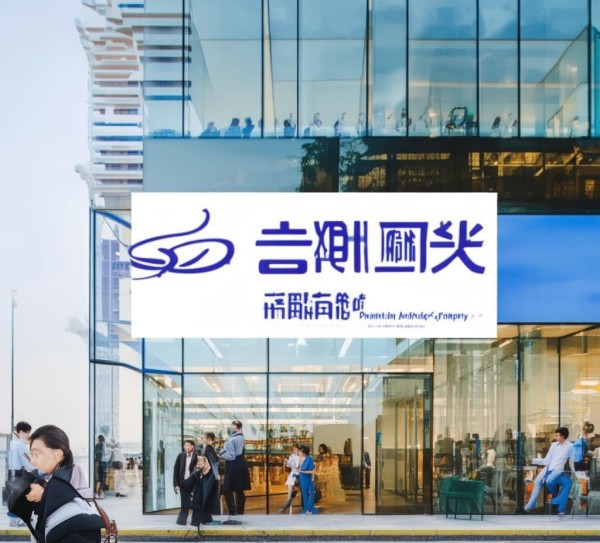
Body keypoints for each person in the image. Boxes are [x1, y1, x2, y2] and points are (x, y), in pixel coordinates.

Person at [13, 425, 104, 543]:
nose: (32, 461)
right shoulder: (56, 481)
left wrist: (46, 494)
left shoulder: (62, 490)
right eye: (31, 455)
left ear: (58, 455)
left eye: (36, 454)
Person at [523, 427, 574, 516]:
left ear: (563, 436)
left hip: (557, 470)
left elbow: (572, 461)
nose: (556, 437)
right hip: (548, 468)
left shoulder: (570, 446)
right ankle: (530, 506)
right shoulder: (554, 445)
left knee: (549, 482)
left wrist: (574, 471)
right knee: (537, 482)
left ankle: (554, 495)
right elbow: (547, 460)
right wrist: (533, 460)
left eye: (557, 436)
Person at [218, 421, 251, 516]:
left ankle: (233, 511)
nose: (231, 426)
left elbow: (232, 456)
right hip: (238, 465)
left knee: (228, 488)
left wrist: (220, 455)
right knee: (238, 489)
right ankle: (239, 512)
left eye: (232, 425)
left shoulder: (235, 438)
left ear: (236, 426)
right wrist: (222, 452)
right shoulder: (239, 437)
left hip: (234, 465)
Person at [7, 421, 34, 527]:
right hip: (19, 474)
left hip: (11, 473)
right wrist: (34, 470)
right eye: (28, 432)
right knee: (20, 497)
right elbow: (26, 461)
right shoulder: (21, 445)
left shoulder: (12, 444)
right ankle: (16, 521)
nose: (28, 435)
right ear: (22, 432)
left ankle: (15, 520)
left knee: (14, 496)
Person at [183, 456, 220, 527]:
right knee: (199, 522)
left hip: (202, 502)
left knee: (200, 522)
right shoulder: (198, 473)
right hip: (200, 502)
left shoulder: (207, 474)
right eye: (197, 462)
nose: (198, 464)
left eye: (200, 462)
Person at [173, 439, 197, 525]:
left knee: (196, 503)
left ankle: (195, 520)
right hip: (183, 482)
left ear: (192, 446)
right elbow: (176, 470)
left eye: (187, 445)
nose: (186, 447)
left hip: (194, 483)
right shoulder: (181, 456)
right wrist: (176, 484)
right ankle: (182, 521)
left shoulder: (197, 456)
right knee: (184, 504)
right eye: (185, 445)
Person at [279, 444, 301, 513]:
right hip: (292, 475)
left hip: (298, 475)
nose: (294, 450)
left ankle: (285, 506)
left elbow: (297, 466)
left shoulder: (300, 456)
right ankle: (285, 506)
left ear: (298, 449)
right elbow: (289, 466)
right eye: (293, 449)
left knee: (296, 492)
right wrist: (286, 463)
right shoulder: (292, 456)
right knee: (290, 493)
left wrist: (289, 463)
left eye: (295, 449)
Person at [298, 445, 318, 515]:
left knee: (310, 494)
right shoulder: (300, 459)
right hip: (302, 479)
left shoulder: (309, 459)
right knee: (304, 494)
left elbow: (312, 471)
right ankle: (306, 509)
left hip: (308, 479)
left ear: (304, 453)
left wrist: (302, 471)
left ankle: (310, 509)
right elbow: (298, 468)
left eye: (301, 452)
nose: (299, 452)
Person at [93, 435, 106, 499]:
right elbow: (100, 454)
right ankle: (98, 493)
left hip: (99, 462)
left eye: (97, 438)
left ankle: (97, 493)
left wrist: (98, 461)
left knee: (98, 479)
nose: (96, 439)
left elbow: (99, 454)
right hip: (102, 462)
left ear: (99, 438)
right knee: (101, 479)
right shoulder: (103, 445)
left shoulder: (99, 445)